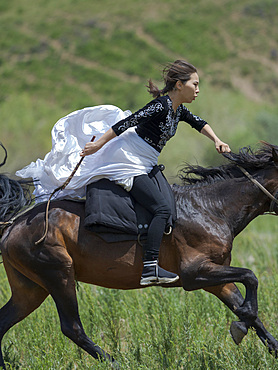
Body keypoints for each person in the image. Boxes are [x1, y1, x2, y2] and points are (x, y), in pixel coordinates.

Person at [80, 59, 231, 286]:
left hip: (147, 161)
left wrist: (217, 140)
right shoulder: (160, 106)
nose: (198, 90)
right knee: (161, 209)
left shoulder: (178, 110)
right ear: (179, 85)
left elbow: (199, 123)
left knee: (169, 205)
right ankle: (150, 267)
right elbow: (126, 123)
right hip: (129, 160)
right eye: (195, 84)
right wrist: (98, 145)